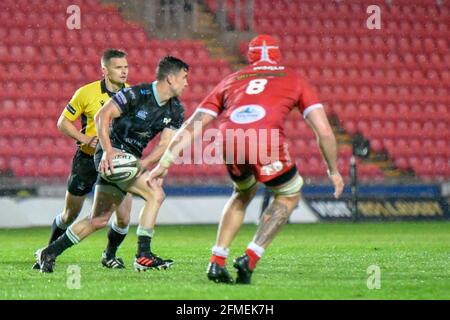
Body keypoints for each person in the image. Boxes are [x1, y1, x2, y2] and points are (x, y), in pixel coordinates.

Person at [149, 35, 344, 284]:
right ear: (277, 55)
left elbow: (193, 125)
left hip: (229, 138)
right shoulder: (294, 78)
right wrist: (333, 170)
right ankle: (250, 257)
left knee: (242, 193)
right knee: (288, 195)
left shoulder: (231, 80)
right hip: (265, 139)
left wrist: (164, 163)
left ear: (249, 57)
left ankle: (216, 261)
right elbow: (324, 131)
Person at [36, 56, 189, 273]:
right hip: (111, 155)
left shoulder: (176, 110)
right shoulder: (136, 94)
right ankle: (143, 254)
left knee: (98, 219)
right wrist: (108, 151)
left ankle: (49, 252)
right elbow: (101, 116)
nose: (187, 83)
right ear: (171, 79)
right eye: (184, 77)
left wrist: (144, 163)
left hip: (130, 161)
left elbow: (165, 144)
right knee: (156, 194)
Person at [33, 49, 133, 270]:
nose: (124, 71)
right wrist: (84, 138)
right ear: (105, 70)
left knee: (124, 216)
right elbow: (62, 122)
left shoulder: (131, 95)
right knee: (70, 214)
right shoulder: (86, 93)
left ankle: (109, 254)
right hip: (87, 160)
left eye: (126, 67)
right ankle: (47, 253)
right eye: (119, 67)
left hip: (115, 162)